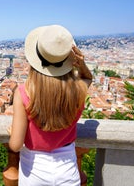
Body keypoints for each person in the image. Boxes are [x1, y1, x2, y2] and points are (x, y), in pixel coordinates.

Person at [8, 25, 92, 186]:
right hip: (68, 169)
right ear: (67, 59)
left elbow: (16, 145)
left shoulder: (22, 93)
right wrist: (81, 65)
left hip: (33, 169)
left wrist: (14, 133)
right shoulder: (77, 90)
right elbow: (88, 78)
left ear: (36, 59)